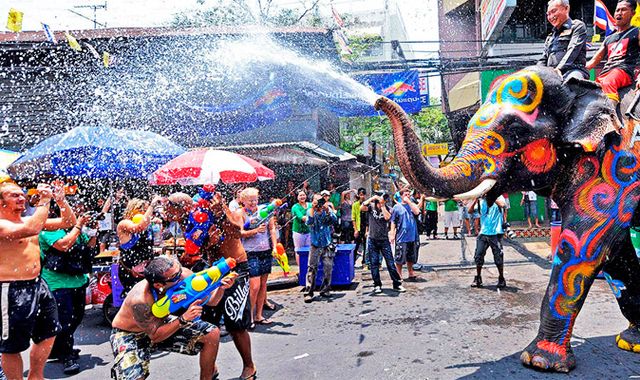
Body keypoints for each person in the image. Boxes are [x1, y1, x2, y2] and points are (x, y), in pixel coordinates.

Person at [110, 256, 234, 380]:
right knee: (134, 378)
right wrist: (183, 319)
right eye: (175, 277)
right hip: (130, 333)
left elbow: (212, 302)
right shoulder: (140, 300)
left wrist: (221, 287)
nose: (181, 276)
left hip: (161, 324)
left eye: (179, 271)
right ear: (158, 284)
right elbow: (155, 336)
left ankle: (208, 375)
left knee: (211, 334)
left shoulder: (182, 274)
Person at [0, 181, 75, 380]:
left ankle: (36, 376)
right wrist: (45, 200)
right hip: (11, 289)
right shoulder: (2, 224)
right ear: (1, 203)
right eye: (14, 195)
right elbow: (33, 228)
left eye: (21, 194)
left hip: (37, 284)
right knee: (12, 346)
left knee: (50, 331)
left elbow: (68, 222)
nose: (22, 197)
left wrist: (61, 201)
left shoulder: (27, 220)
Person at [201, 191, 256, 380]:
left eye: (214, 200)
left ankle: (249, 366)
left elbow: (237, 231)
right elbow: (198, 245)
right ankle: (211, 368)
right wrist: (209, 242)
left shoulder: (230, 211)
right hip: (213, 271)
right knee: (209, 324)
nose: (211, 203)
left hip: (236, 268)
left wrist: (222, 212)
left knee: (236, 322)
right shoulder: (200, 214)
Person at [40, 204, 97, 374]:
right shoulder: (49, 228)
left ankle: (59, 348)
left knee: (77, 317)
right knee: (65, 320)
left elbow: (90, 247)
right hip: (57, 283)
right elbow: (64, 245)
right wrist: (79, 225)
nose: (77, 215)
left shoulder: (74, 228)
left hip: (77, 280)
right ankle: (66, 355)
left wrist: (94, 231)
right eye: (74, 213)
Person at [587, 0, 640, 108]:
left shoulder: (637, 32)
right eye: (617, 10)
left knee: (608, 82)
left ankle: (610, 116)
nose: (619, 13)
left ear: (633, 13)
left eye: (623, 10)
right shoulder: (608, 38)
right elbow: (593, 61)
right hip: (606, 72)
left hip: (624, 70)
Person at [240, 188, 278, 326]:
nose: (253, 203)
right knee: (254, 286)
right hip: (250, 252)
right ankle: (248, 317)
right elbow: (240, 233)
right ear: (243, 201)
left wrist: (274, 246)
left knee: (263, 285)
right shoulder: (241, 213)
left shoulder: (265, 210)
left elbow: (272, 229)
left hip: (265, 251)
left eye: (255, 199)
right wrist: (255, 231)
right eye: (250, 200)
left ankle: (258, 315)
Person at [117, 196, 163, 296]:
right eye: (143, 210)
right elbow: (139, 227)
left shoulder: (148, 223)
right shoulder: (124, 223)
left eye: (146, 210)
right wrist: (152, 205)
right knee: (136, 300)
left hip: (145, 269)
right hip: (130, 270)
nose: (146, 213)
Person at [360, 193, 404, 293]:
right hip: (372, 239)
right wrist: (372, 198)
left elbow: (387, 218)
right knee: (374, 264)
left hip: (384, 240)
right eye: (378, 202)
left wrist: (383, 205)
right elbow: (361, 208)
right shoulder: (371, 207)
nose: (379, 203)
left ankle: (397, 284)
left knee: (390, 263)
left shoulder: (388, 208)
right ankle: (377, 284)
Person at [538, 0, 589, 80]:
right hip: (551, 74)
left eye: (554, 11)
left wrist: (559, 69)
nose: (551, 17)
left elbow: (573, 49)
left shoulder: (577, 26)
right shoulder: (550, 37)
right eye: (548, 14)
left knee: (572, 83)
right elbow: (543, 59)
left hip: (573, 71)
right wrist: (537, 73)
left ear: (566, 8)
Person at [303, 194, 338, 303]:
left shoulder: (326, 209)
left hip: (327, 243)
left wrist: (327, 210)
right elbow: (309, 222)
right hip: (315, 244)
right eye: (316, 201)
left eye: (320, 201)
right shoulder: (310, 211)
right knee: (312, 268)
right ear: (312, 201)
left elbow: (334, 220)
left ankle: (325, 289)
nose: (318, 204)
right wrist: (313, 210)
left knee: (328, 267)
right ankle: (309, 292)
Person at [469, 196, 507, 288]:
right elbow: (470, 211)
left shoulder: (498, 197)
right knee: (478, 256)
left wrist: (491, 196)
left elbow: (503, 204)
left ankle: (501, 278)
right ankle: (478, 278)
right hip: (483, 233)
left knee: (498, 257)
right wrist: (475, 200)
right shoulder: (481, 201)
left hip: (496, 233)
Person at [389, 189, 421, 281]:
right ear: (401, 196)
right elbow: (393, 221)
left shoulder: (412, 205)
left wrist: (409, 202)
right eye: (405, 195)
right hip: (402, 236)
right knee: (400, 257)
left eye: (408, 194)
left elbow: (417, 212)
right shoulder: (397, 207)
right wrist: (392, 233)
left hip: (413, 235)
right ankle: (399, 274)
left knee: (411, 256)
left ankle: (410, 272)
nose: (407, 196)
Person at [291, 190, 311, 266]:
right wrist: (312, 218)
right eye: (300, 195)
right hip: (298, 232)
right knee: (298, 250)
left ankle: (308, 267)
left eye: (303, 195)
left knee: (309, 250)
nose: (302, 197)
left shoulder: (310, 205)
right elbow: (301, 217)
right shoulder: (295, 207)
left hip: (308, 231)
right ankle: (301, 268)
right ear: (297, 197)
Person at [352, 188, 369, 266]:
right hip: (358, 227)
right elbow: (353, 218)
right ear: (358, 195)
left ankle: (364, 262)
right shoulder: (355, 205)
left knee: (366, 245)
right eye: (360, 195)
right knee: (356, 245)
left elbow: (368, 219)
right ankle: (352, 262)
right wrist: (355, 229)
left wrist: (367, 230)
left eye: (363, 195)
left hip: (366, 227)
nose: (362, 196)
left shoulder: (368, 204)